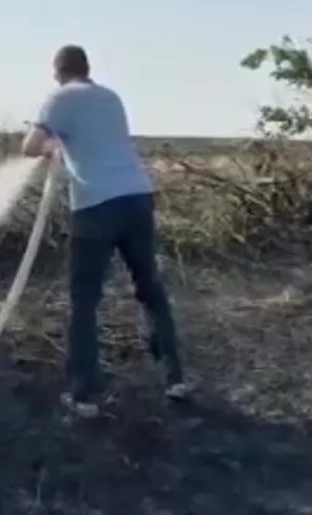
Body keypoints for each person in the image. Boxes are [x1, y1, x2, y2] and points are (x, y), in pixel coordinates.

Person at [21, 44, 188, 418]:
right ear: (87, 68)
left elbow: (29, 147)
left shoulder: (59, 98)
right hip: (137, 197)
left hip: (96, 205)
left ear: (58, 71)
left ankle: (84, 395)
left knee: (84, 300)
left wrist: (49, 144)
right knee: (149, 287)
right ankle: (175, 377)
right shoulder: (111, 98)